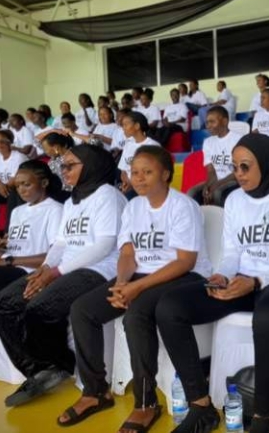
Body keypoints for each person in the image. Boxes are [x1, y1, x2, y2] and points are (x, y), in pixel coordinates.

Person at [155, 133, 269, 433]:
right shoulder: (235, 200)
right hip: (244, 280)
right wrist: (222, 276)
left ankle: (263, 417)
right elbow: (232, 253)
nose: (238, 174)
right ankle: (200, 405)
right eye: (235, 167)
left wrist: (255, 281)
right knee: (170, 307)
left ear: (267, 165)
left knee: (268, 317)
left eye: (245, 167)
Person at [56, 145, 211, 430]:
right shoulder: (133, 206)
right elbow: (127, 254)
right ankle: (95, 392)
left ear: (166, 174)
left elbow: (185, 262)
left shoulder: (182, 206)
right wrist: (123, 283)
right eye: (134, 172)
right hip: (139, 275)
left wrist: (136, 289)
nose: (138, 178)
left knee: (135, 315)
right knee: (82, 310)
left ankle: (145, 403)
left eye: (147, 172)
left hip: (182, 277)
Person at [0, 144, 126, 407]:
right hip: (64, 268)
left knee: (39, 308)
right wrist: (45, 268)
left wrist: (55, 272)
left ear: (90, 166)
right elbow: (60, 243)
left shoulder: (108, 196)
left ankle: (62, 363)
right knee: (5, 304)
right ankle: (40, 369)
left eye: (70, 165)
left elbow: (103, 245)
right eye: (62, 166)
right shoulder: (72, 201)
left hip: (98, 270)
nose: (63, 171)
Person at [0, 160, 63, 293]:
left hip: (28, 271)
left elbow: (54, 255)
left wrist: (9, 261)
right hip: (7, 265)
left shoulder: (55, 209)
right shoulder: (17, 211)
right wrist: (0, 248)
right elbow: (12, 247)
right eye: (17, 186)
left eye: (26, 184)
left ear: (44, 183)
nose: (21, 190)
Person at [189, 106, 241, 206]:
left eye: (212, 122)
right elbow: (211, 171)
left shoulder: (238, 139)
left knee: (218, 193)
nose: (208, 126)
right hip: (217, 181)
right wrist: (207, 185)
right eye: (207, 122)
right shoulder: (208, 142)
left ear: (225, 121)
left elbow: (239, 171)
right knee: (192, 193)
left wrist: (217, 185)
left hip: (235, 180)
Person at [118, 112, 161, 197]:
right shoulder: (128, 145)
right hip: (129, 187)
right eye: (122, 125)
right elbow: (123, 170)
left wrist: (133, 184)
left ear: (137, 126)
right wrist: (126, 182)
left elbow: (154, 173)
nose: (123, 128)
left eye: (126, 124)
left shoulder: (152, 145)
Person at [0, 130, 29, 227]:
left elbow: (15, 180)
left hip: (16, 189)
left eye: (2, 141)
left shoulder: (19, 157)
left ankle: (9, 230)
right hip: (1, 190)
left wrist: (2, 186)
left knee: (13, 193)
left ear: (9, 142)